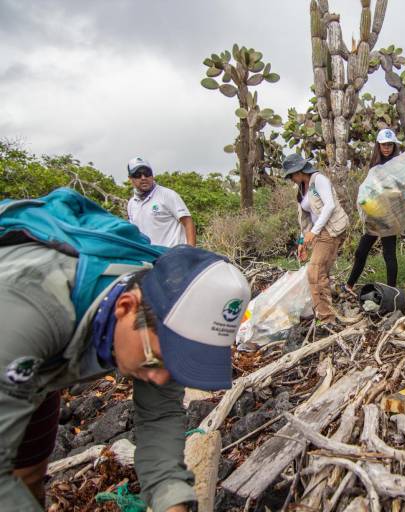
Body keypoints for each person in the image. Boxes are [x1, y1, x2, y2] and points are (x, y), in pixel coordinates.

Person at [0, 195, 250, 512]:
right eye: (158, 360)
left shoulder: (164, 322)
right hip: (15, 340)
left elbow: (159, 417)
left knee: (29, 474)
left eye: (179, 363)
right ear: (125, 308)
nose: (161, 377)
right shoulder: (28, 310)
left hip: (41, 363)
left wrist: (172, 502)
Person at [282, 153, 349, 327]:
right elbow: (306, 217)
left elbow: (330, 206)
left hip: (331, 230)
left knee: (315, 272)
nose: (291, 179)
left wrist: (315, 231)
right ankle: (326, 312)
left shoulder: (318, 179)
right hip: (319, 232)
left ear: (299, 170)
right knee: (320, 272)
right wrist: (302, 242)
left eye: (291, 175)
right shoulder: (302, 187)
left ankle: (326, 318)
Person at [345, 128, 402, 293]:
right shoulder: (375, 166)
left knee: (389, 254)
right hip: (375, 214)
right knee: (361, 251)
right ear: (378, 146)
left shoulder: (397, 164)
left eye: (390, 145)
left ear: (393, 146)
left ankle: (392, 291)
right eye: (384, 145)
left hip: (389, 214)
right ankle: (349, 285)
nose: (387, 148)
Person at [126, 157, 196, 247]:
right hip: (149, 258)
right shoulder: (131, 204)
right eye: (137, 174)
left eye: (147, 173)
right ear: (130, 178)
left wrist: (191, 251)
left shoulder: (167, 195)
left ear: (152, 175)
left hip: (174, 255)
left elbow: (188, 222)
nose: (143, 178)